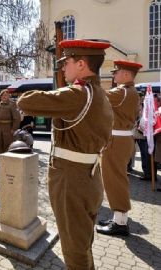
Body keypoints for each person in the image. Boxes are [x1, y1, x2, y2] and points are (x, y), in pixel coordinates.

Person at [17, 39, 113, 269]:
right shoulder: (100, 93)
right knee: (82, 242)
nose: (63, 67)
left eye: (66, 62)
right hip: (89, 176)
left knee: (74, 250)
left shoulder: (78, 94)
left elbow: (25, 101)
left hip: (71, 180)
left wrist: (62, 93)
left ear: (81, 64)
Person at [96, 60, 142, 236]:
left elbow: (99, 95)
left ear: (126, 74)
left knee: (114, 180)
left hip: (116, 140)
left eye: (117, 72)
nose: (114, 75)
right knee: (117, 178)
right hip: (120, 139)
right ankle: (118, 218)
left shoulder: (122, 91)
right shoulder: (130, 92)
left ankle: (120, 223)